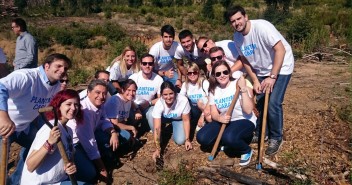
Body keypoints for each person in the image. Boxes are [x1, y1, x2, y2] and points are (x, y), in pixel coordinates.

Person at [227, 5, 294, 155]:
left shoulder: (262, 27)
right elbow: (245, 61)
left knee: (273, 103)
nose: (237, 23)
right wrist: (256, 80)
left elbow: (280, 50)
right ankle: (263, 132)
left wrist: (272, 76)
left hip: (281, 66)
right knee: (262, 102)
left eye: (239, 18)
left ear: (245, 17)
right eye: (233, 21)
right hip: (262, 70)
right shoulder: (237, 38)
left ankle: (276, 137)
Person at [0, 53, 72, 185]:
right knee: (1, 165)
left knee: (36, 147)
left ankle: (18, 181)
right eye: (59, 66)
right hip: (4, 126)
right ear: (46, 66)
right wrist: (3, 117)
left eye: (65, 68)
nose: (62, 70)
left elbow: (45, 108)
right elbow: (1, 87)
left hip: (23, 127)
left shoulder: (55, 86)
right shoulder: (26, 77)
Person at [20, 89, 90, 185]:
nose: (73, 108)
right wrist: (49, 142)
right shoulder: (49, 129)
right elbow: (30, 166)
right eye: (68, 104)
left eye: (76, 104)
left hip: (57, 180)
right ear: (59, 106)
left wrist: (70, 166)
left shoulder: (68, 130)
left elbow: (69, 157)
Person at [196, 60, 256, 166]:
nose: (222, 75)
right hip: (226, 121)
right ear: (214, 75)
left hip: (244, 120)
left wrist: (243, 89)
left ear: (229, 72)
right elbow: (213, 113)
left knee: (229, 138)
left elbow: (248, 110)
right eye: (218, 74)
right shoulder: (213, 90)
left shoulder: (237, 84)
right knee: (202, 137)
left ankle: (246, 150)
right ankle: (227, 141)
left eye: (225, 72)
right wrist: (219, 118)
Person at [67, 79, 127, 183]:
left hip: (89, 135)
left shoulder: (99, 104)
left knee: (115, 138)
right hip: (74, 144)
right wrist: (102, 168)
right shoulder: (84, 111)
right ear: (88, 93)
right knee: (90, 173)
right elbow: (89, 142)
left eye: (104, 93)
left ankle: (101, 158)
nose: (101, 96)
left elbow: (104, 120)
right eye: (97, 92)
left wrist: (113, 133)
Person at [151, 81, 192, 162]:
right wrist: (157, 148)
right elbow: (157, 128)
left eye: (171, 93)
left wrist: (188, 139)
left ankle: (174, 128)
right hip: (164, 118)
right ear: (161, 95)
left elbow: (186, 120)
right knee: (150, 114)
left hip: (178, 119)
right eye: (165, 95)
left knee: (180, 140)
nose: (168, 97)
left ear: (175, 93)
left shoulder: (183, 100)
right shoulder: (159, 104)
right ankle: (160, 138)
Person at [128, 54, 164, 132]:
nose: (147, 66)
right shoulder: (133, 78)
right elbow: (127, 97)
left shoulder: (158, 79)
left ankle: (157, 136)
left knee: (152, 113)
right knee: (129, 116)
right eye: (144, 63)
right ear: (140, 65)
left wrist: (150, 103)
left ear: (153, 65)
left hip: (148, 106)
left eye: (150, 63)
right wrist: (136, 108)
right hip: (133, 105)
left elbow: (161, 98)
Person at [179, 63, 211, 129]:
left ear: (198, 72)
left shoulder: (204, 82)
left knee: (200, 101)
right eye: (190, 73)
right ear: (187, 74)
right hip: (193, 108)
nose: (192, 75)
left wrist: (202, 115)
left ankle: (204, 119)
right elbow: (180, 97)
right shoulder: (185, 84)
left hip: (205, 107)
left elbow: (210, 98)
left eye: (194, 72)